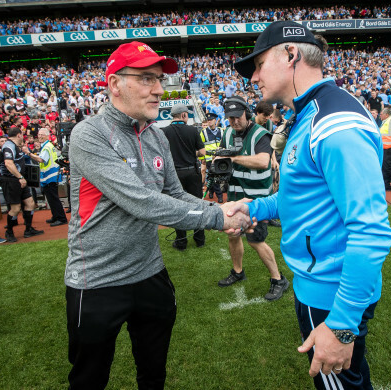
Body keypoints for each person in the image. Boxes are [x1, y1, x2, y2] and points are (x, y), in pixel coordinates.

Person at [64, 41, 251, 390]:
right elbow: (142, 202)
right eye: (147, 78)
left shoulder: (156, 135)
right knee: (88, 379)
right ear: (115, 84)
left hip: (150, 273)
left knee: (153, 374)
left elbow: (175, 195)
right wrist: (217, 218)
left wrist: (219, 207)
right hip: (97, 281)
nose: (159, 89)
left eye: (160, 80)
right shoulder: (88, 134)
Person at [233, 20, 391, 389]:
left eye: (258, 64)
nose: (254, 77)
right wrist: (253, 208)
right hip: (319, 283)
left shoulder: (333, 123)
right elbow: (302, 198)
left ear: (291, 55)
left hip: (331, 292)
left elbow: (371, 232)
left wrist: (341, 324)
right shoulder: (310, 114)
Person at [216, 95, 289, 301]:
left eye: (237, 117)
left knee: (256, 241)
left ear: (247, 114)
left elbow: (263, 161)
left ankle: (278, 279)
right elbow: (223, 156)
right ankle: (238, 272)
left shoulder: (260, 134)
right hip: (235, 194)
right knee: (233, 235)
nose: (233, 122)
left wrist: (232, 158)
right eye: (229, 118)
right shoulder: (228, 132)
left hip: (257, 200)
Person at [161, 103, 206, 250]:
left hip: (174, 174)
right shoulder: (192, 130)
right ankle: (199, 239)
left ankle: (181, 242)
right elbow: (202, 152)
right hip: (192, 173)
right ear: (184, 115)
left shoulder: (164, 131)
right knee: (197, 205)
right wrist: (190, 154)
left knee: (177, 207)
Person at [0, 126, 44, 242]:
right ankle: (9, 231)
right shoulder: (8, 146)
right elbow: (8, 164)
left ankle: (28, 229)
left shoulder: (16, 147)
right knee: (15, 208)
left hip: (20, 179)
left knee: (30, 203)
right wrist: (20, 177)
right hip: (11, 180)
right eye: (22, 135)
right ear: (19, 135)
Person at [28, 128, 67, 227]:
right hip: (49, 176)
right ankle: (56, 216)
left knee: (53, 198)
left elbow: (41, 160)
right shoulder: (47, 146)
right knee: (51, 198)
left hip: (50, 176)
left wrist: (29, 154)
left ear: (47, 135)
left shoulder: (46, 147)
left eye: (42, 134)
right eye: (39, 134)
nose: (40, 136)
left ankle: (61, 218)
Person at [200, 112, 224, 202]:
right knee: (214, 177)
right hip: (209, 159)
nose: (209, 122)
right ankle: (220, 195)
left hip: (220, 158)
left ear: (215, 120)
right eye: (208, 120)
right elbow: (201, 146)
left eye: (211, 120)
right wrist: (203, 159)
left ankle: (211, 190)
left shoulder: (222, 130)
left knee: (214, 177)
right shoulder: (203, 132)